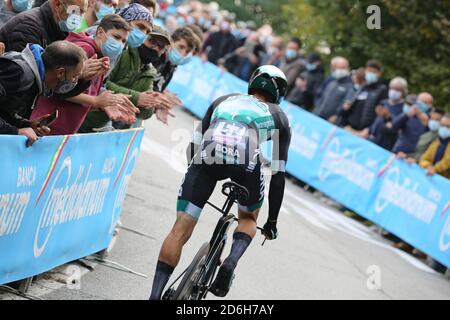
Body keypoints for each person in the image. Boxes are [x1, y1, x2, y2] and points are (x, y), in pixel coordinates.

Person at [149, 65, 291, 300]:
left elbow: (193, 147)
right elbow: (278, 174)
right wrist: (272, 221)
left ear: (252, 82)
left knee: (179, 230)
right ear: (280, 93)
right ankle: (230, 262)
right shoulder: (279, 116)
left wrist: (194, 178)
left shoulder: (224, 100)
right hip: (245, 160)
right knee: (247, 219)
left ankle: (154, 296)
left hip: (207, 155)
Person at [31, 14, 138, 135]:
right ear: (100, 32)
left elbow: (80, 96)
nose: (120, 44)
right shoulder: (86, 50)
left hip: (58, 129)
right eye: (116, 37)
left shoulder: (101, 54)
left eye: (124, 41)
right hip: (45, 126)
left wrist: (103, 105)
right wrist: (96, 101)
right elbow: (55, 88)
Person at [0, 40, 86, 144]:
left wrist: (26, 124)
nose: (74, 81)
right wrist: (15, 132)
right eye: (74, 76)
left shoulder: (35, 79)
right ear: (60, 72)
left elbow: (4, 110)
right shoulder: (21, 73)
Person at [0, 0, 88, 52]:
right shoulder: (28, 27)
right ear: (57, 4)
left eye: (83, 12)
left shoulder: (58, 31)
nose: (80, 17)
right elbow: (27, 78)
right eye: (77, 11)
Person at [339, 60, 388, 133]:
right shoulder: (361, 87)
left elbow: (380, 115)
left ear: (379, 74)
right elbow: (348, 106)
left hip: (363, 133)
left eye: (374, 72)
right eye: (369, 71)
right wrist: (344, 122)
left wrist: (369, 130)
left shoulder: (382, 90)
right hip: (348, 128)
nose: (371, 73)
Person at [313, 56, 353, 122]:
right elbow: (319, 94)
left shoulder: (350, 86)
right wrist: (317, 107)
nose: (340, 70)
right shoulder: (331, 81)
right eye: (337, 68)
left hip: (330, 122)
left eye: (343, 68)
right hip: (316, 115)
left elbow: (345, 105)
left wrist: (336, 115)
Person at [419, 114, 450, 179]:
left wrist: (435, 169)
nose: (444, 128)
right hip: (431, 177)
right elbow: (423, 158)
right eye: (442, 125)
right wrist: (428, 166)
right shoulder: (436, 142)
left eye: (448, 127)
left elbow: (447, 161)